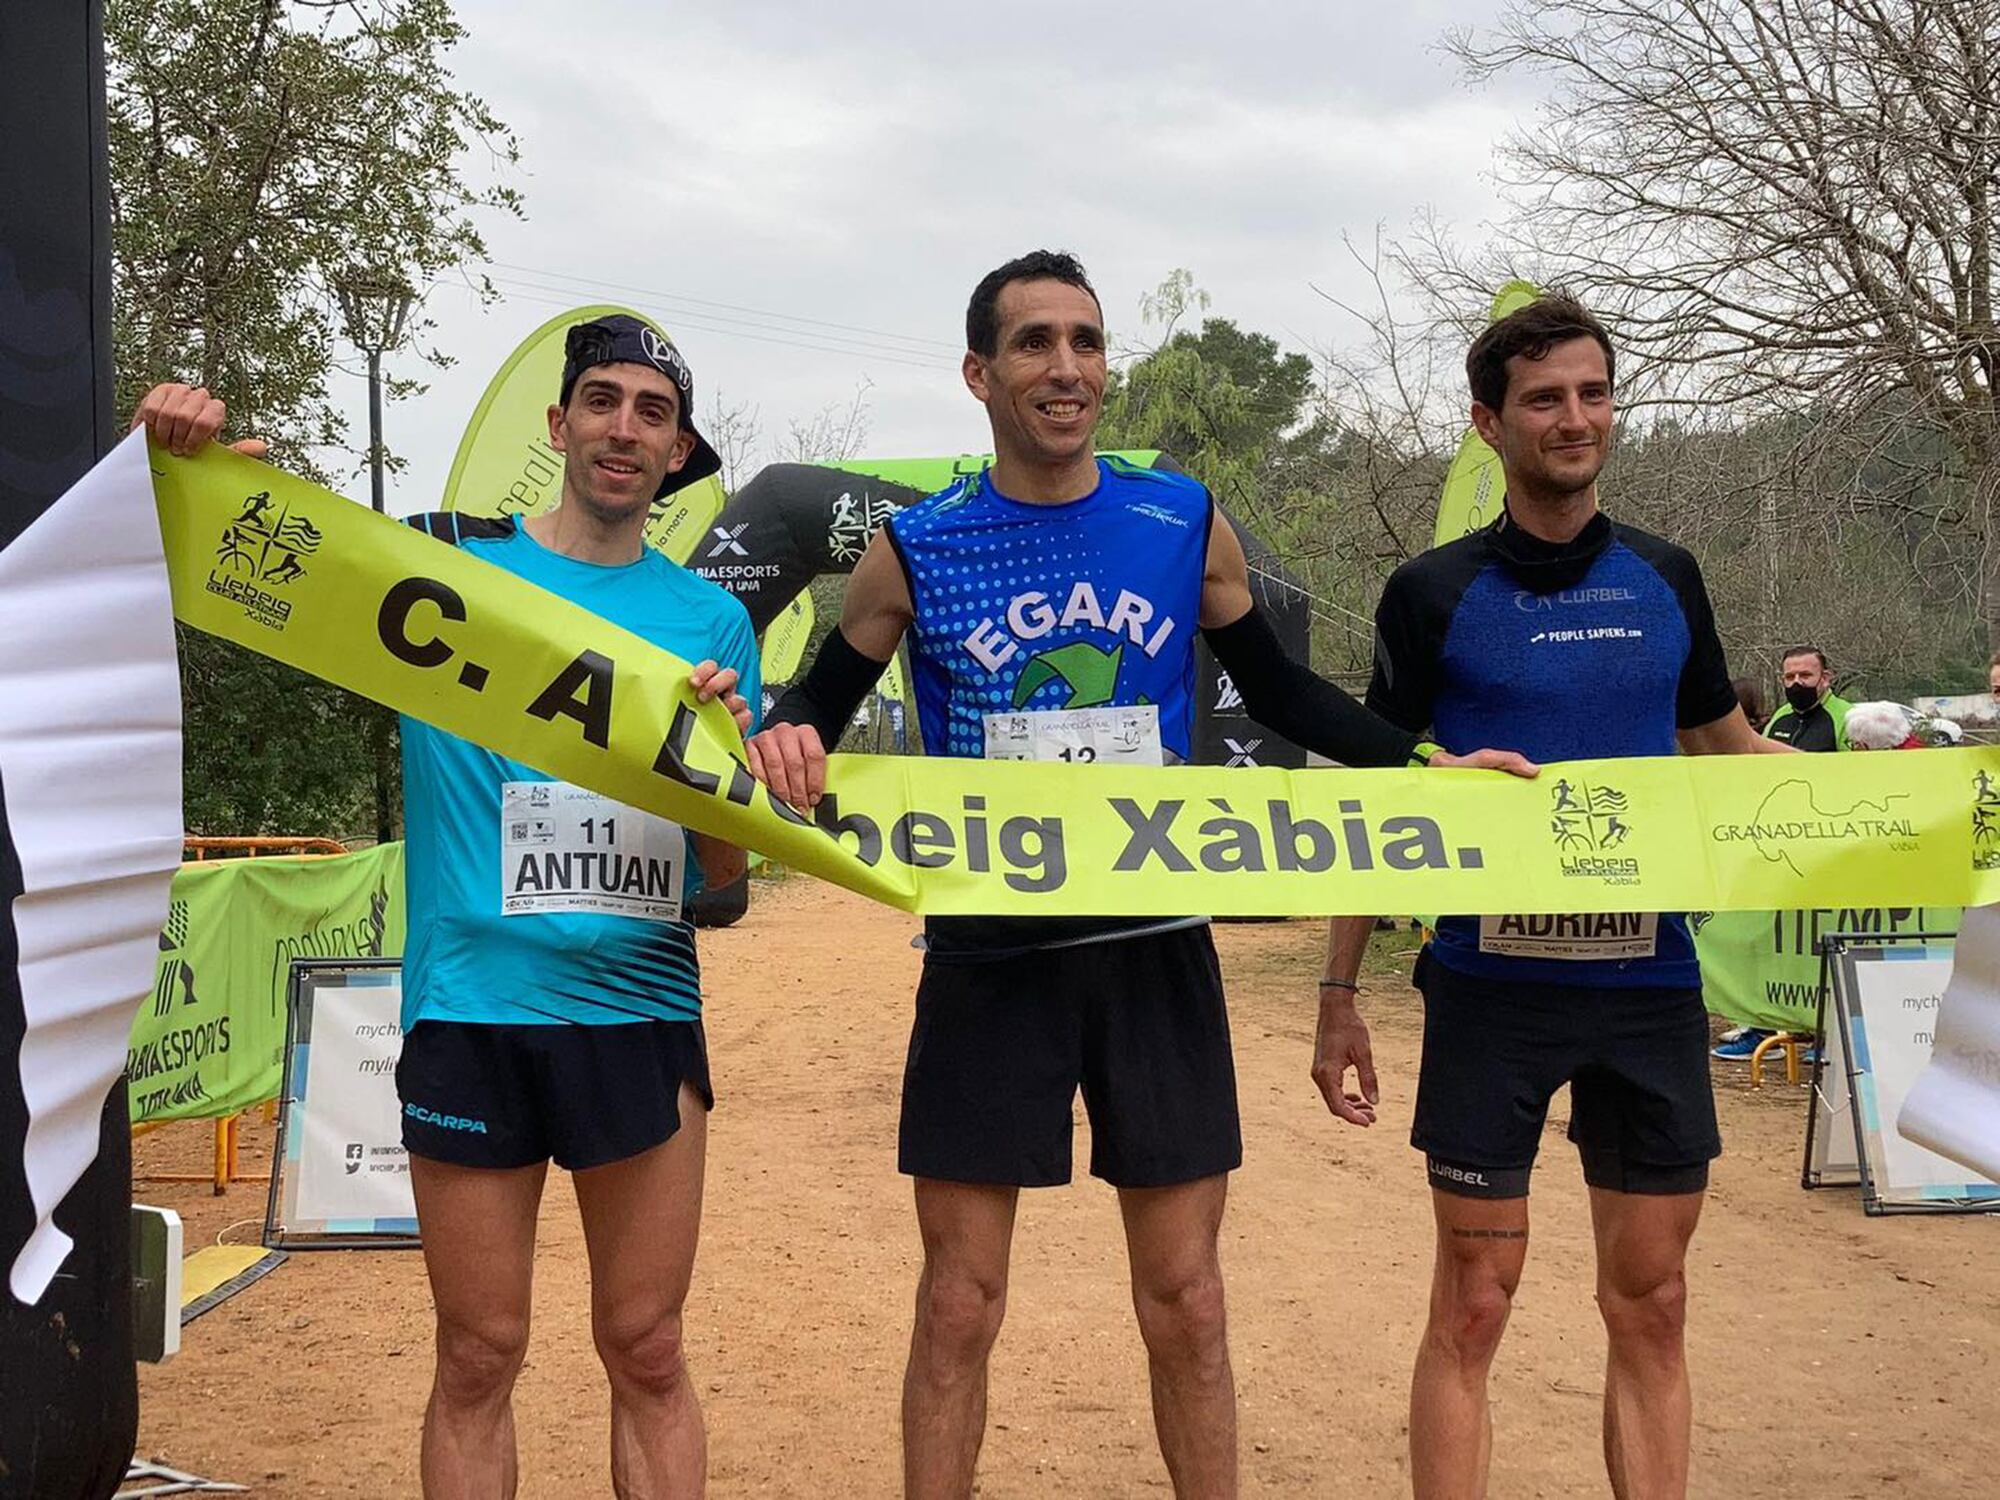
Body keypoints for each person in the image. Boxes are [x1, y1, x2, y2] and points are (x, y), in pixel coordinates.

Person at [742, 249, 1532, 1500]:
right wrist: (780, 726)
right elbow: (814, 705)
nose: (1066, 369)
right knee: (958, 1302)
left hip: (1153, 945)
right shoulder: (916, 546)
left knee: (1187, 1298)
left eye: (1085, 343)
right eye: (1034, 344)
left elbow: (1278, 690)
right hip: (988, 959)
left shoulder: (1179, 520)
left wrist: (1421, 761)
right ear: (979, 373)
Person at [133, 311, 758, 1500]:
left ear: (677, 454)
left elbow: (719, 885)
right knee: (478, 1353)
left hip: (635, 1013)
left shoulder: (709, 623)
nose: (624, 429)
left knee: (647, 1347)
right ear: (560, 422)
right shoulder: (441, 562)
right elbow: (241, 554)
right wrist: (177, 460)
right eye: (604, 402)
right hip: (470, 1011)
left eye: (653, 412)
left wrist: (718, 769)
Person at [1312, 295, 1795, 1500]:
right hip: (1490, 996)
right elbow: (1385, 799)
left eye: (1590, 393)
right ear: (1487, 424)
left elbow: (1728, 750)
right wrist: (1336, 991)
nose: (1572, 418)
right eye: (1541, 399)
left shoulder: (1666, 578)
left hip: (1646, 990)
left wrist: (1934, 804)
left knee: (1654, 1304)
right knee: (1473, 1306)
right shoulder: (1428, 592)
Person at [1763, 645, 1850, 751]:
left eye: (1805, 675)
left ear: (1825, 678)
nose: (1797, 682)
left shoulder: (1848, 718)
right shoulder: (1780, 716)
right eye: (1790, 677)